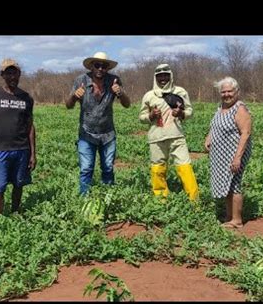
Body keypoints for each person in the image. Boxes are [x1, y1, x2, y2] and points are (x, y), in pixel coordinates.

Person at [65, 51, 131, 195]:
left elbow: (127, 104)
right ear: (91, 67)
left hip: (108, 133)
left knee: (108, 167)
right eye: (97, 65)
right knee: (86, 168)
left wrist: (119, 92)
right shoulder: (80, 80)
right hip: (86, 133)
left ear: (107, 68)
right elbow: (68, 105)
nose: (100, 69)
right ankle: (84, 200)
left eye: (104, 66)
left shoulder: (114, 80)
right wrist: (74, 96)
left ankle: (108, 197)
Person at [0, 58, 36, 214]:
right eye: (8, 73)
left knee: (19, 184)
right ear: (2, 75)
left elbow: (30, 126)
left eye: (15, 73)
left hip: (22, 149)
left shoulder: (26, 98)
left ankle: (16, 215)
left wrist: (33, 153)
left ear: (19, 74)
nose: (12, 76)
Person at [139, 64, 199, 201]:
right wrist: (150, 116)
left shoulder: (180, 92)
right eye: (160, 76)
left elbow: (190, 111)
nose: (163, 78)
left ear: (170, 76)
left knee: (185, 166)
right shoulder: (149, 96)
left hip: (176, 136)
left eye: (166, 75)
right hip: (156, 137)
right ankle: (161, 200)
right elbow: (141, 117)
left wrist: (182, 113)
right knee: (157, 169)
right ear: (155, 78)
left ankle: (194, 201)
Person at [204, 77, 252, 228]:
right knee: (227, 184)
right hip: (221, 155)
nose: (226, 94)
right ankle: (229, 216)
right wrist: (209, 137)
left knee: (234, 183)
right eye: (223, 92)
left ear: (236, 91)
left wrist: (237, 158)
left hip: (235, 154)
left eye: (229, 91)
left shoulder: (240, 109)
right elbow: (216, 126)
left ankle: (237, 220)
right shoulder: (221, 107)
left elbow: (246, 133)